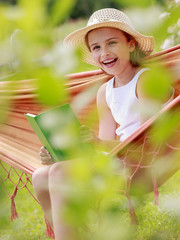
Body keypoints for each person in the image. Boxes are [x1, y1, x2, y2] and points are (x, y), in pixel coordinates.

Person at [32, 8, 173, 240]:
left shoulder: (145, 80)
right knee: (41, 174)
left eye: (111, 43)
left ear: (130, 44)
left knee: (58, 173)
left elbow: (150, 141)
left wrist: (98, 143)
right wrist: (60, 153)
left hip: (142, 165)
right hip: (115, 160)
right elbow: (104, 145)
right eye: (96, 47)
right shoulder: (104, 92)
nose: (104, 52)